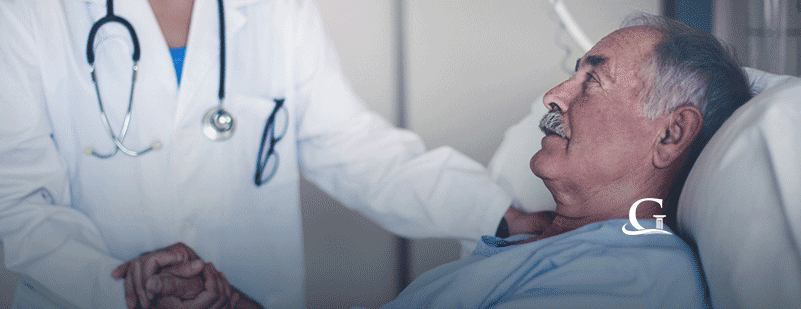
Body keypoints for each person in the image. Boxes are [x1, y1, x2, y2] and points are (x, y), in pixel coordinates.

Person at [0, 0, 513, 308]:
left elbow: (355, 149)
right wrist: (124, 291)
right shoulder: (28, 14)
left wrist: (500, 216)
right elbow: (18, 201)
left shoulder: (275, 7)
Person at [373, 14, 752, 308]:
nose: (553, 96)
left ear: (671, 134)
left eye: (593, 80)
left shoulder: (631, 277)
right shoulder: (550, 247)